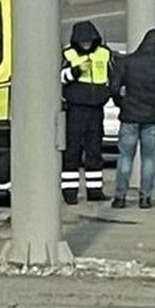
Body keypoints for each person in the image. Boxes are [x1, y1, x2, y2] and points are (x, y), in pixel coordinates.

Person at [109, 28, 155, 209]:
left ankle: (120, 196)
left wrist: (121, 103)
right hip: (152, 117)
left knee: (125, 156)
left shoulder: (128, 62)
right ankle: (146, 197)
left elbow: (114, 87)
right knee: (149, 158)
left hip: (129, 115)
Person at [60, 20, 113, 205]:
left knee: (94, 151)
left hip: (96, 109)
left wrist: (109, 93)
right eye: (83, 42)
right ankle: (70, 192)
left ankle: (94, 190)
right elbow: (58, 77)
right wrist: (75, 72)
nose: (86, 44)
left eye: (89, 41)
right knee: (72, 152)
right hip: (75, 109)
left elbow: (113, 75)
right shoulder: (68, 54)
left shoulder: (104, 54)